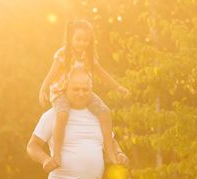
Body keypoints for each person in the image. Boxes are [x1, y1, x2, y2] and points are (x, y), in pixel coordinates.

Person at [38, 19, 129, 167]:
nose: (82, 43)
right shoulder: (63, 54)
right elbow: (50, 74)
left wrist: (117, 87)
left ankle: (110, 151)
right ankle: (57, 153)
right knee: (62, 114)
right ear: (70, 38)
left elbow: (102, 73)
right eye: (78, 39)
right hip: (61, 92)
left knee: (105, 112)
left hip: (83, 92)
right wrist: (42, 90)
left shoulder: (89, 55)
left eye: (86, 41)